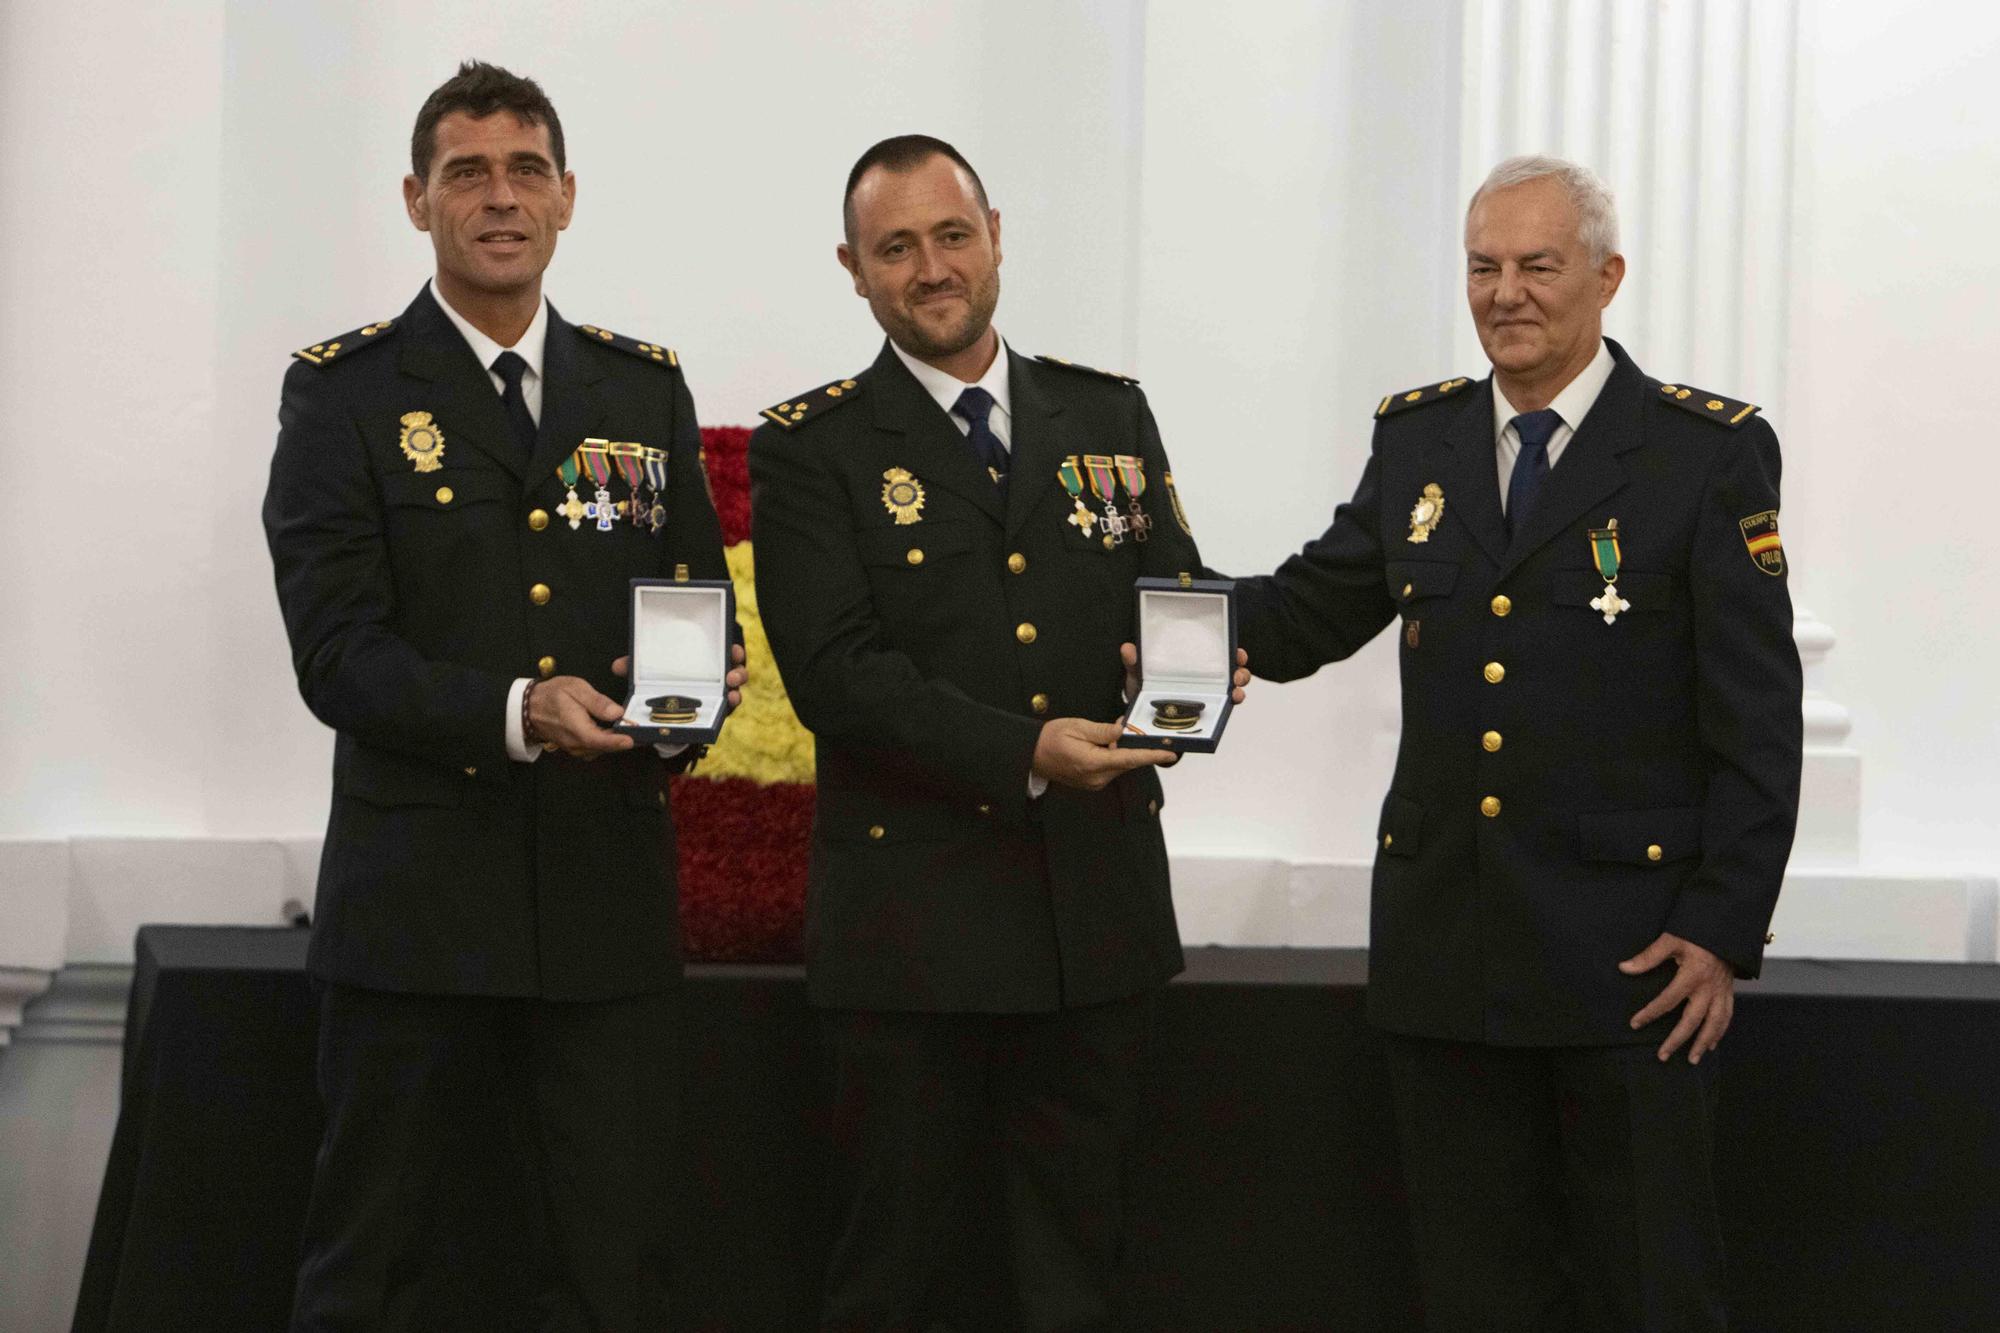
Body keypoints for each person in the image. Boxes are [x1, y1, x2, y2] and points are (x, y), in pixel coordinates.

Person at [1230, 155, 1802, 1330]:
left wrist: (1718, 928)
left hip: (1631, 966)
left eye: (1537, 266)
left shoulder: (1701, 453)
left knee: (1648, 1289)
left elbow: (1756, 718)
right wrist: (1164, 627)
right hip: (1449, 949)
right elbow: (1306, 611)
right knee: (1473, 1293)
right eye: (1482, 268)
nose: (1506, 294)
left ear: (1605, 276)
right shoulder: (1419, 441)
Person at [262, 60, 743, 1329]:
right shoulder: (345, 393)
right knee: (379, 1267)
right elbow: (337, 653)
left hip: (602, 910)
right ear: (416, 199)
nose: (499, 196)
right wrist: (516, 710)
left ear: (567, 198)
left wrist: (692, 701)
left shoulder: (641, 392)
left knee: (611, 1267)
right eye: (466, 172)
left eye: (525, 169)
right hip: (415, 915)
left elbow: (691, 598)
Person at [748, 135, 1248, 1330]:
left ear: (996, 236)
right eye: (896, 247)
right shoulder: (813, 446)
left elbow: (1168, 590)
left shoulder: (1106, 412)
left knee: (1075, 1273)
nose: (931, 267)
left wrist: (1198, 665)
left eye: (951, 234)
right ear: (853, 269)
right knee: (891, 1277)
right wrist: (1023, 751)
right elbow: (836, 674)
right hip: (910, 938)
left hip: (1093, 919)